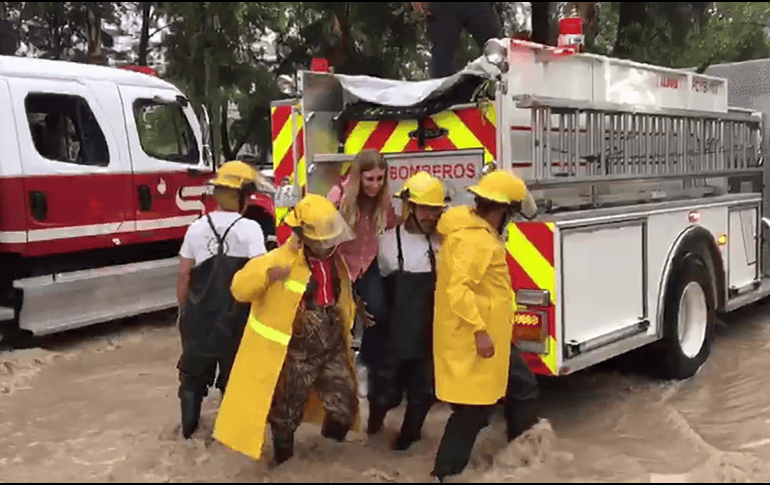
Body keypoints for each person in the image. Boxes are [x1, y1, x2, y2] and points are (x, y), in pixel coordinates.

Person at [213, 194, 368, 465]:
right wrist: (268, 276)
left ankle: (330, 455)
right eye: (323, 239)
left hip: (332, 344)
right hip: (296, 352)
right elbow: (238, 288)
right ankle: (285, 462)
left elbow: (339, 296)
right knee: (286, 413)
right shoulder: (277, 261)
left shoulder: (334, 260)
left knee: (346, 405)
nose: (329, 244)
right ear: (303, 236)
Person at [431, 170, 540, 482]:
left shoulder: (469, 227)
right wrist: (480, 331)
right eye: (511, 213)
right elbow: (458, 290)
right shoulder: (476, 241)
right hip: (478, 336)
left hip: (490, 334)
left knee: (521, 386)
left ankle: (521, 458)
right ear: (502, 210)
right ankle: (446, 474)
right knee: (473, 409)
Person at [176, 160, 267, 439]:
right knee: (234, 381)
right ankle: (229, 438)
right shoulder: (251, 229)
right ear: (242, 196)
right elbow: (258, 277)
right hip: (235, 320)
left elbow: (183, 276)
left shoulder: (195, 228)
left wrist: (183, 314)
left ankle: (188, 435)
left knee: (192, 381)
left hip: (198, 318)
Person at [367, 171, 445, 451]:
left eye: (436, 210)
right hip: (393, 336)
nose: (431, 217)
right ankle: (372, 432)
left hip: (427, 335)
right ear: (408, 208)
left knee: (424, 392)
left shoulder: (443, 243)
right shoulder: (386, 242)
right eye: (426, 209)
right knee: (384, 394)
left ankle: (407, 440)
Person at [327, 149, 399, 390]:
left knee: (378, 313)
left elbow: (393, 222)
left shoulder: (383, 199)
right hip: (340, 265)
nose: (375, 185)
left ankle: (367, 364)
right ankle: (334, 373)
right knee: (340, 319)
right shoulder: (338, 196)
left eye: (380, 179)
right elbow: (323, 232)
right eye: (370, 179)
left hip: (366, 264)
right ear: (359, 177)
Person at [412, 2, 504, 79]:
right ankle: (444, 98)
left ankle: (507, 85)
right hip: (443, 6)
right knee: (442, 57)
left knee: (497, 46)